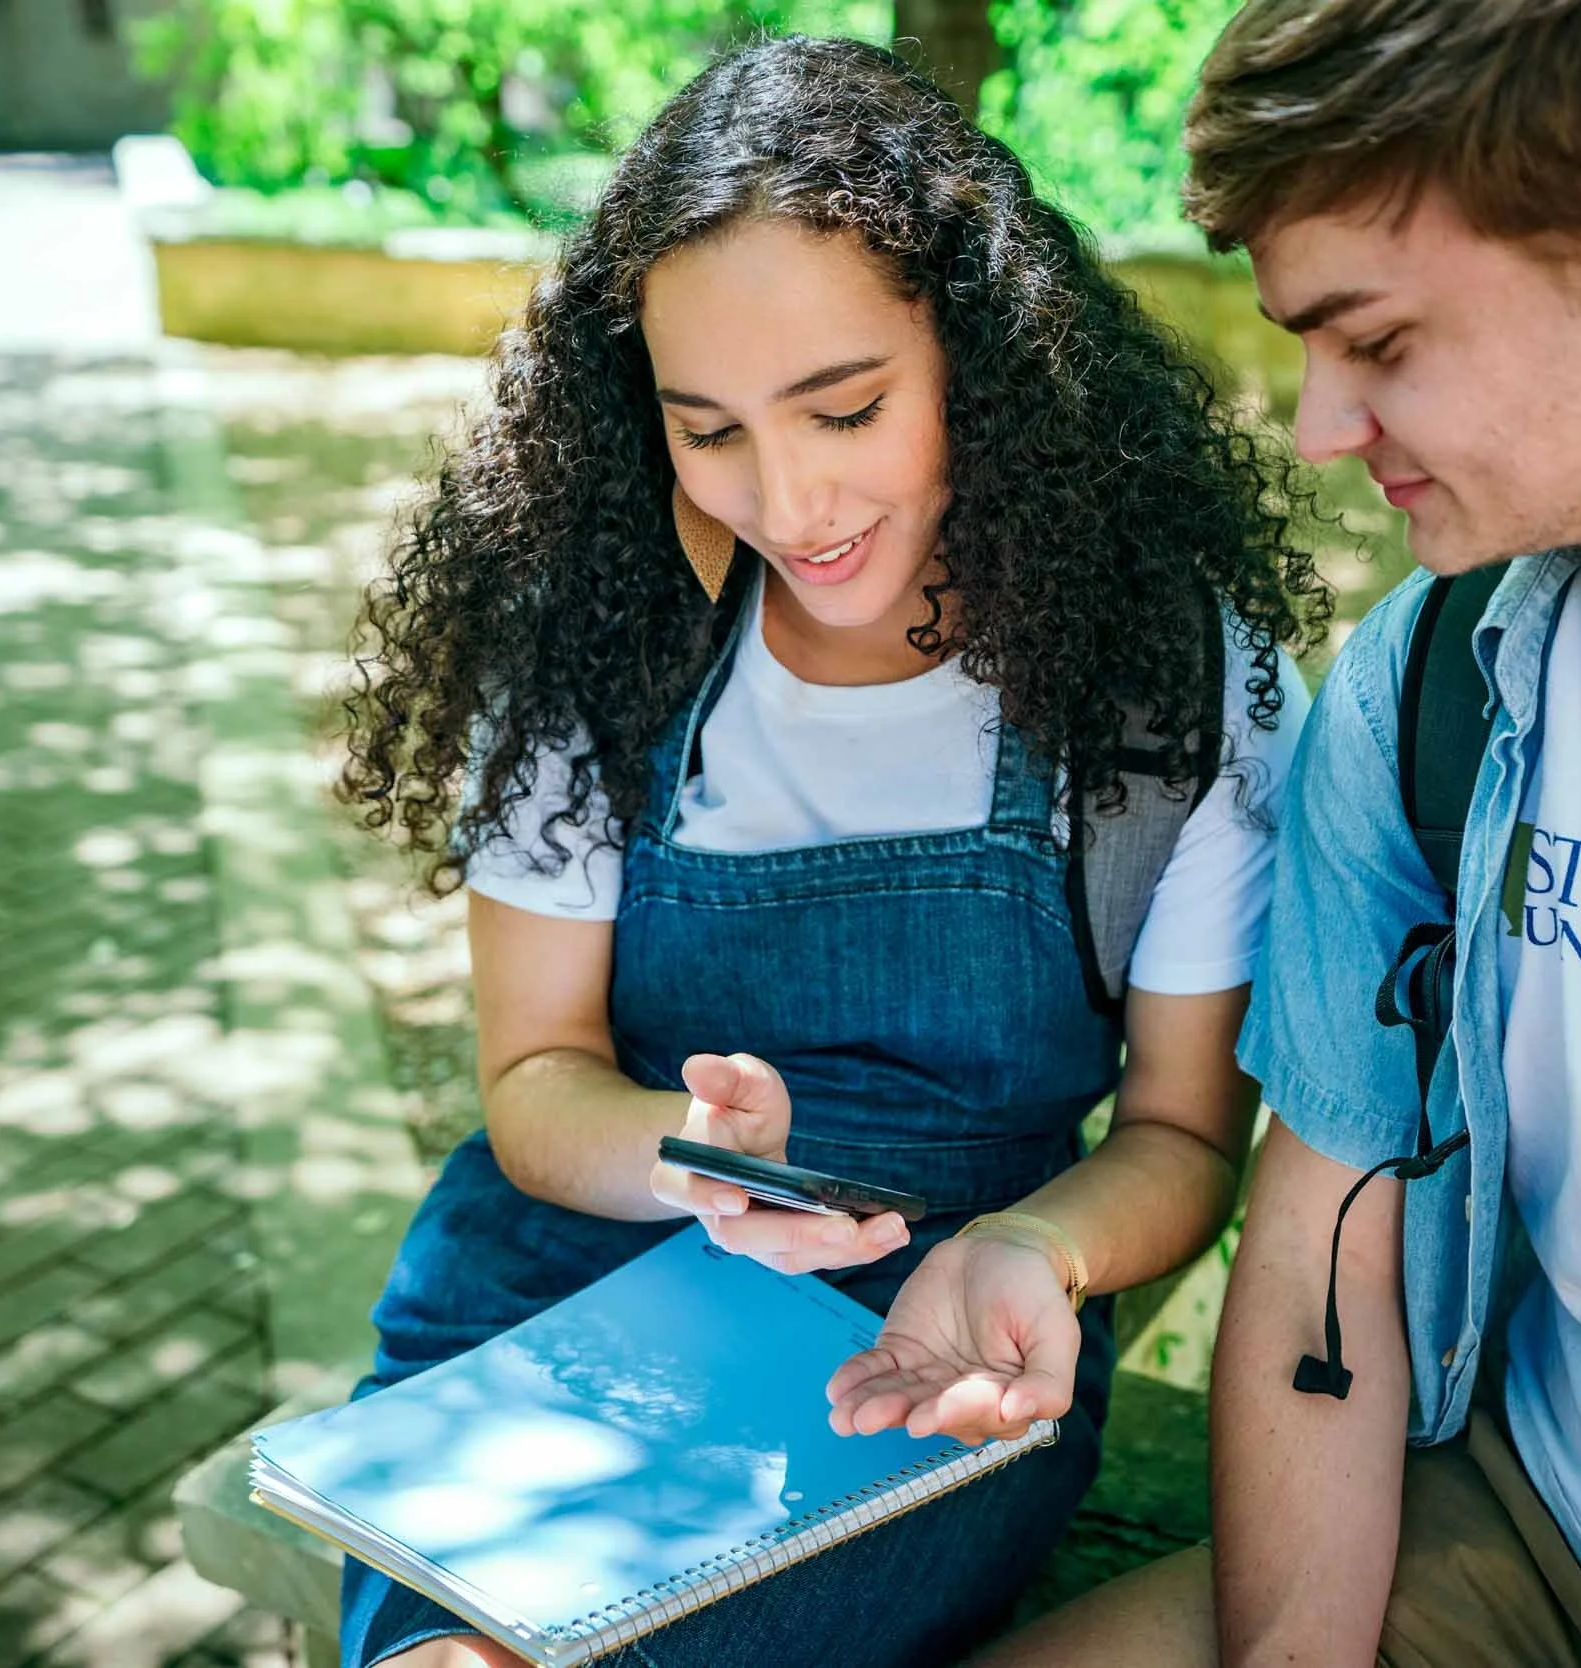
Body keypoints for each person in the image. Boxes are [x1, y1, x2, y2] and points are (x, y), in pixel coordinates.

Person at [979, 3, 1581, 1666]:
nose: (1317, 425)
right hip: (1530, 1540)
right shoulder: (1432, 680)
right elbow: (1323, 1245)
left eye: (1375, 341)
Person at [334, 34, 1327, 1668]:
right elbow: (534, 1086)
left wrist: (1035, 1246)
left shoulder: (1169, 688)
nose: (788, 503)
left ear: (980, 352)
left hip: (927, 1353)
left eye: (845, 407)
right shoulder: (597, 638)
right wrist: (692, 1156)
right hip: (563, 1301)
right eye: (707, 431)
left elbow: (1179, 1139)